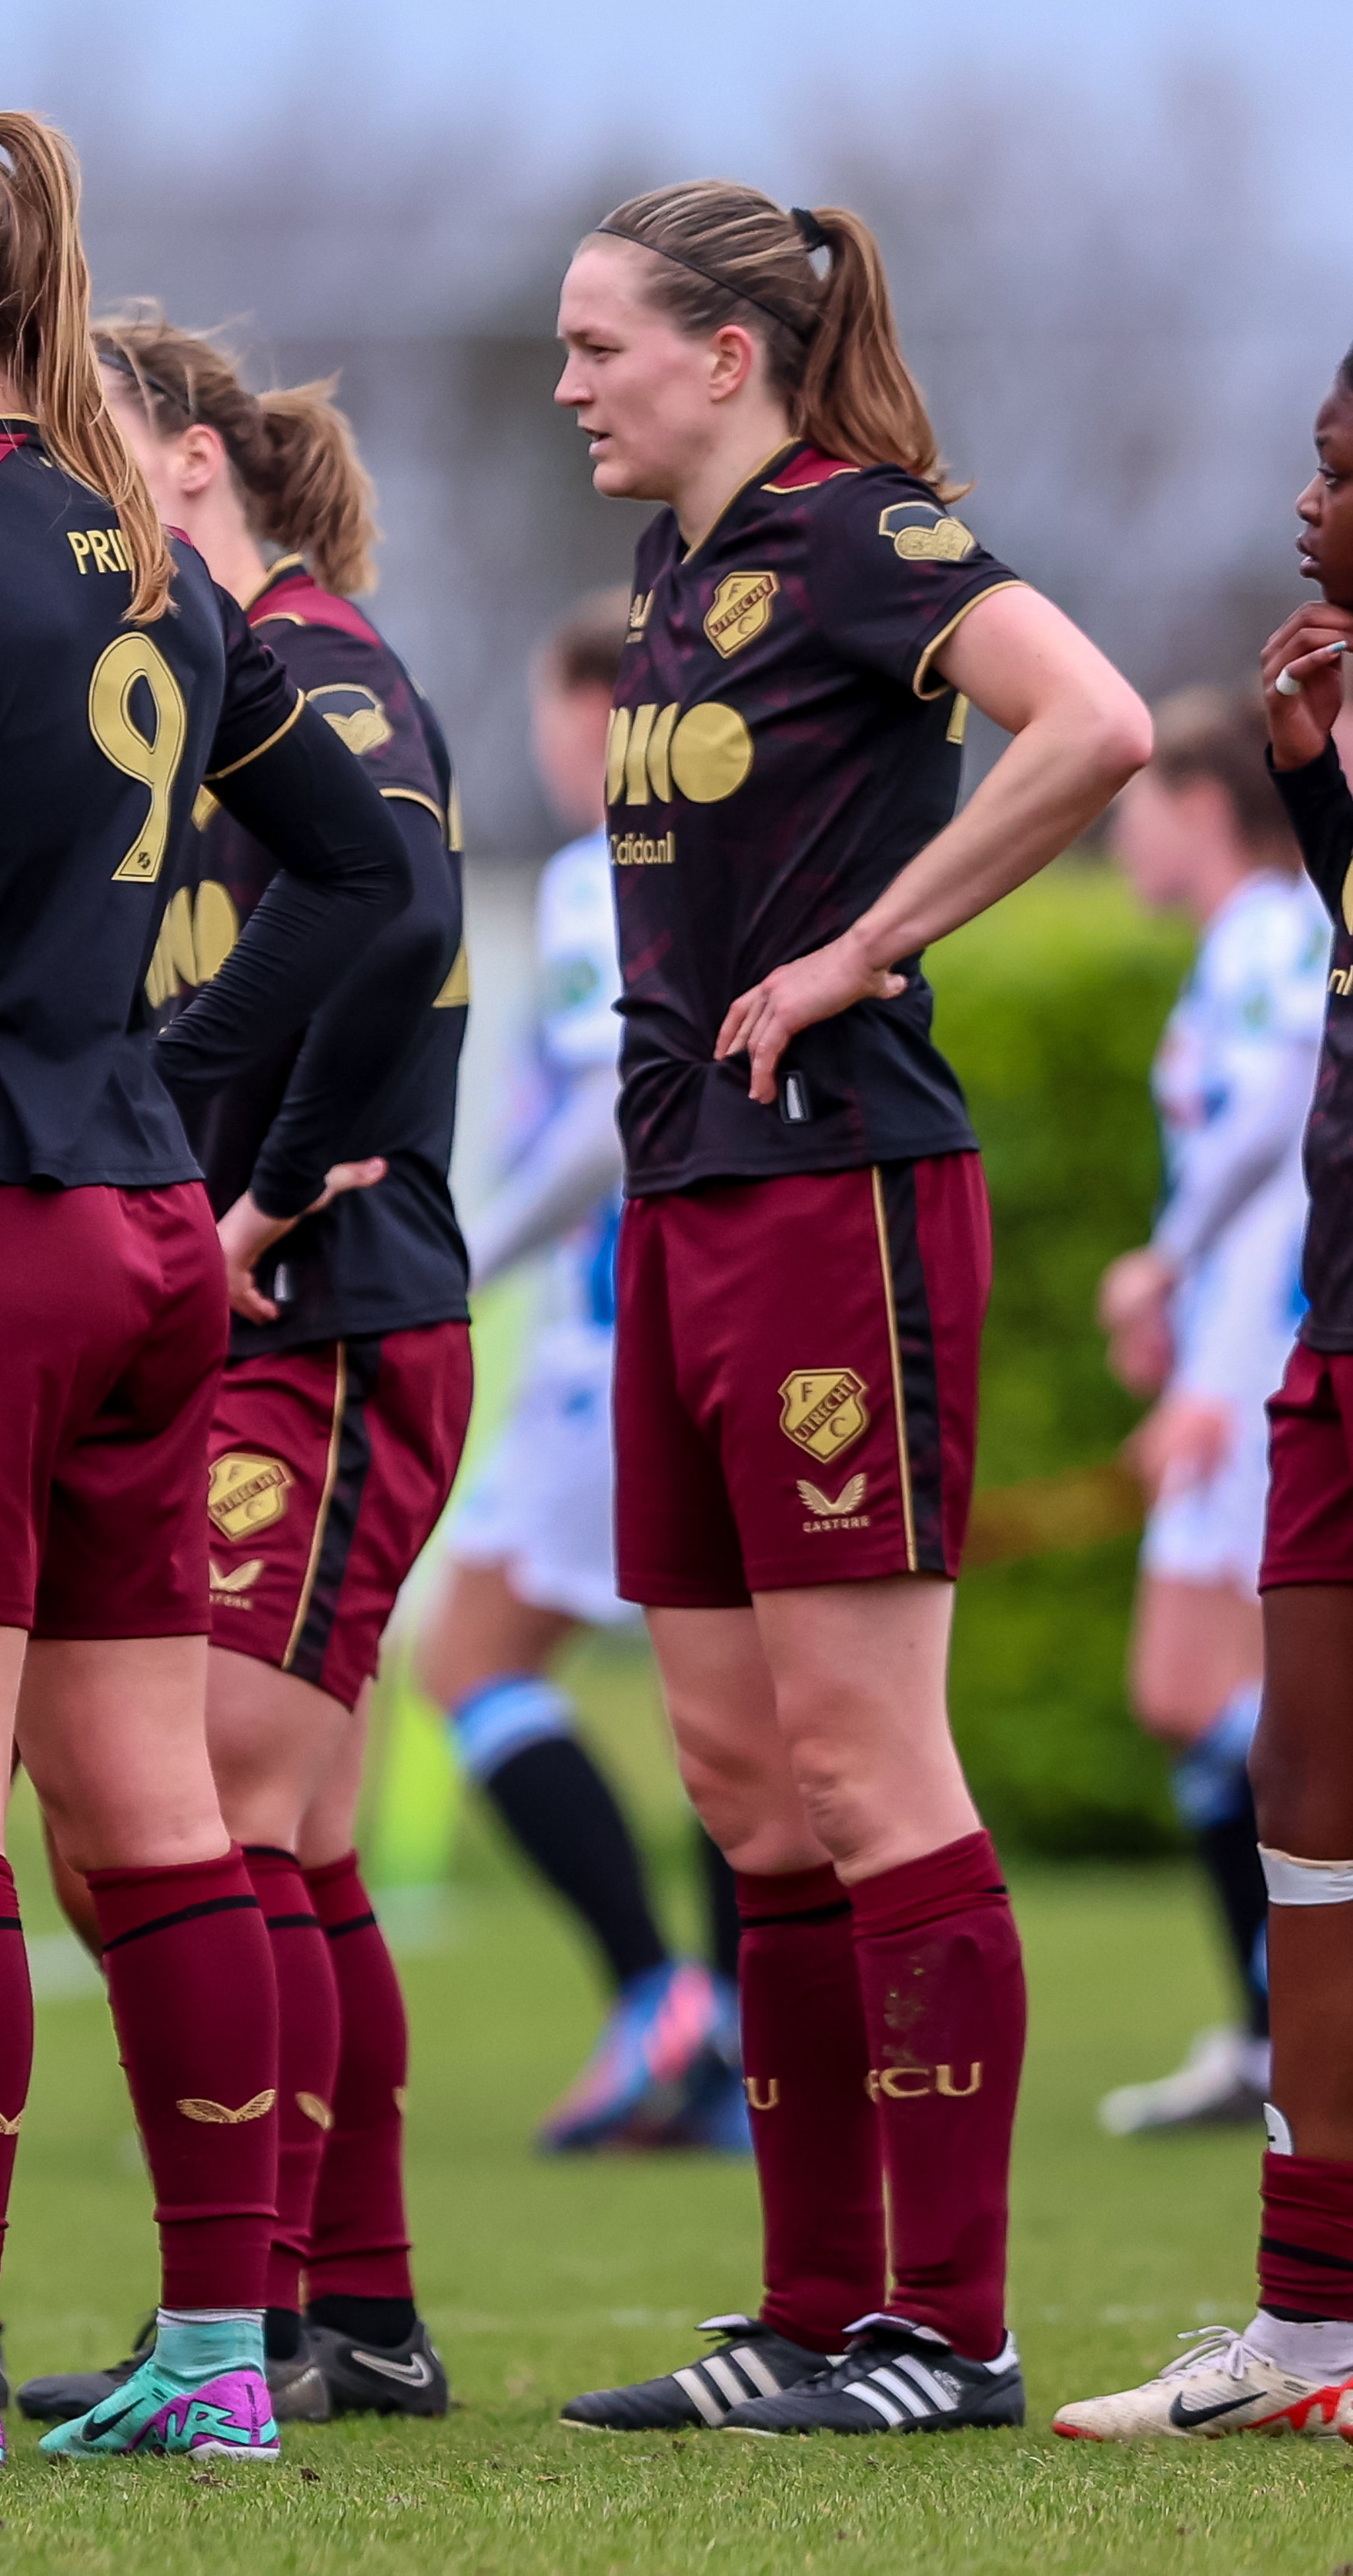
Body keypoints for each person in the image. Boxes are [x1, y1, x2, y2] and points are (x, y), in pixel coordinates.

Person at [0, 110, 410, 2467]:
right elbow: (370, 882)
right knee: (149, 1811)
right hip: (147, 1233)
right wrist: (159, 1074)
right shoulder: (155, 560)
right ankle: (220, 2357)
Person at [542, 181, 1148, 2438]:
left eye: (602, 344)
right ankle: (808, 2316)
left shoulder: (867, 535)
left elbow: (1089, 729)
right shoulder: (675, 575)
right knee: (737, 1778)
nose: (573, 381)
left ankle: (953, 2333)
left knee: (866, 1760)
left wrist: (868, 946)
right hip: (688, 1202)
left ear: (727, 354)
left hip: (842, 1197)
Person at [8, 313, 468, 2429]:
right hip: (228, 1318)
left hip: (337, 1313)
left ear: (186, 462)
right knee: (226, 1836)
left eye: (81, 436)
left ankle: (280, 2308)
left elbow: (393, 913)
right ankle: (338, 2303)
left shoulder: (328, 671)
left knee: (209, 1810)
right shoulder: (173, 680)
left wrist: (261, 1191)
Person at [1057, 374, 1353, 2437]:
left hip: (1290, 1338)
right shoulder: (1311, 818)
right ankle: (1308, 2335)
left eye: (1339, 469)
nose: (1304, 501)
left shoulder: (1241, 934)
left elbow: (1255, 1120)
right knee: (1302, 1815)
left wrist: (1183, 1289)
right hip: (1324, 1336)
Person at [425, 593, 750, 2156]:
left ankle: (658, 1996)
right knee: (743, 1704)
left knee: (472, 1660)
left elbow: (618, 1111)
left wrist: (472, 1256)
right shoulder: (731, 860)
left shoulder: (591, 879)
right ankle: (737, 2036)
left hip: (619, 1333)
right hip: (733, 1318)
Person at [1093, 687, 1321, 2136]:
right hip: (1240, 1357)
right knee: (1211, 1703)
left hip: (1255, 1370)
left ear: (1199, 804)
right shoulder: (1252, 942)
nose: (1118, 829)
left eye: (1136, 801)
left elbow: (1288, 1132)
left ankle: (1291, 2011)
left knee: (1212, 1695)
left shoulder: (1270, 937)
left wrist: (1198, 1348)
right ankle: (1269, 2031)